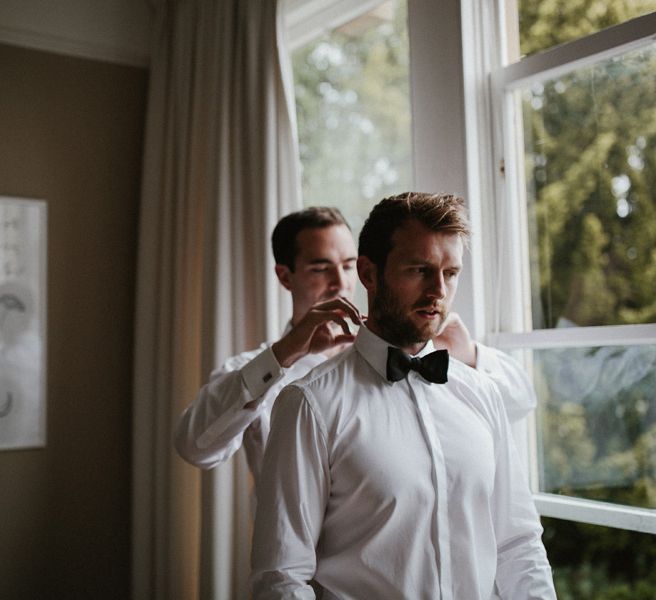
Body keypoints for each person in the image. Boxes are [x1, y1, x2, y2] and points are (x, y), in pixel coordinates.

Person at [250, 192, 556, 599]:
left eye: (451, 273)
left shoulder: (483, 394)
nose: (438, 291)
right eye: (419, 270)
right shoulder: (308, 404)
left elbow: (519, 544)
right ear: (369, 273)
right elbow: (282, 577)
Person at [174, 205, 536, 489]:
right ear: (286, 276)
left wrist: (469, 354)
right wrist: (284, 353)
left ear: (366, 271)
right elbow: (196, 447)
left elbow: (520, 402)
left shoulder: (407, 353)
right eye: (321, 268)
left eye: (348, 266)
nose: (340, 283)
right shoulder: (255, 369)